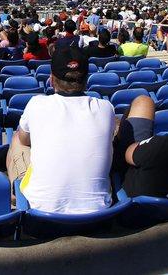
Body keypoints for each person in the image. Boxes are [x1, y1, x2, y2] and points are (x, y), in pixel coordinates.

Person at [7, 45, 116, 213]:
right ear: (86, 79)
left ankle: (17, 192)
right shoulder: (106, 108)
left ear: (51, 79)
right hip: (98, 213)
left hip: (41, 212)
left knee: (17, 138)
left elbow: (24, 140)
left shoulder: (37, 104)